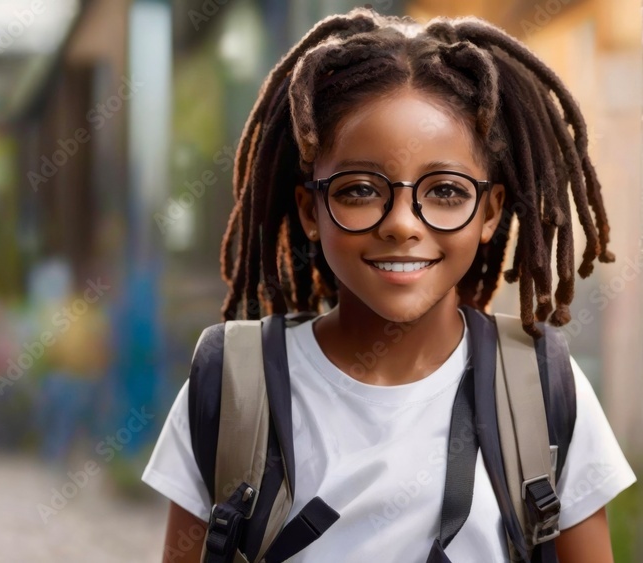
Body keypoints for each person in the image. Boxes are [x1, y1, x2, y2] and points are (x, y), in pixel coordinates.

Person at [141, 9, 636, 563]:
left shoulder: (542, 389)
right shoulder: (232, 386)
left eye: (446, 191)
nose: (402, 223)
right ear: (311, 209)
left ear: (491, 212)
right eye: (359, 190)